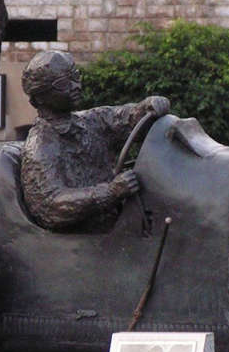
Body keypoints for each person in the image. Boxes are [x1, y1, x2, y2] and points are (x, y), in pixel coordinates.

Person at [19, 50, 170, 231]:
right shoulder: (40, 148)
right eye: (63, 83)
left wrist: (148, 106)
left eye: (75, 76)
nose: (75, 86)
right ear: (39, 97)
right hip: (85, 244)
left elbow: (128, 119)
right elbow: (50, 207)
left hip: (124, 225)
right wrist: (111, 192)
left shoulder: (92, 120)